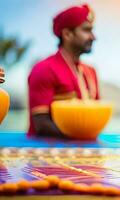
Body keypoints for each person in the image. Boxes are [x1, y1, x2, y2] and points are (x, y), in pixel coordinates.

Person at [28, 4, 100, 137]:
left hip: (85, 153)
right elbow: (41, 124)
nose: (93, 37)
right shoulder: (44, 69)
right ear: (67, 34)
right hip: (47, 154)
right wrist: (80, 138)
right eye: (86, 30)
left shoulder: (91, 72)